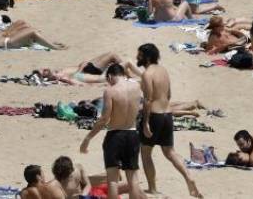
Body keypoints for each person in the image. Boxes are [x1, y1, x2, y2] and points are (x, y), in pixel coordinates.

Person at [137, 44, 203, 198]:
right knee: (170, 152)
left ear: (147, 57)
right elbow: (168, 95)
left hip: (154, 116)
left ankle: (152, 189)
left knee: (145, 152)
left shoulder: (147, 74)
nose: (137, 58)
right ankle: (188, 178)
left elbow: (147, 99)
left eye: (140, 55)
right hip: (167, 115)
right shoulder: (163, 71)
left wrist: (145, 122)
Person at [80, 63, 145, 199]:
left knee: (113, 180)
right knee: (133, 179)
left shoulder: (110, 91)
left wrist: (88, 138)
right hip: (132, 134)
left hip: (115, 135)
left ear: (109, 76)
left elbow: (104, 119)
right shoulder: (136, 87)